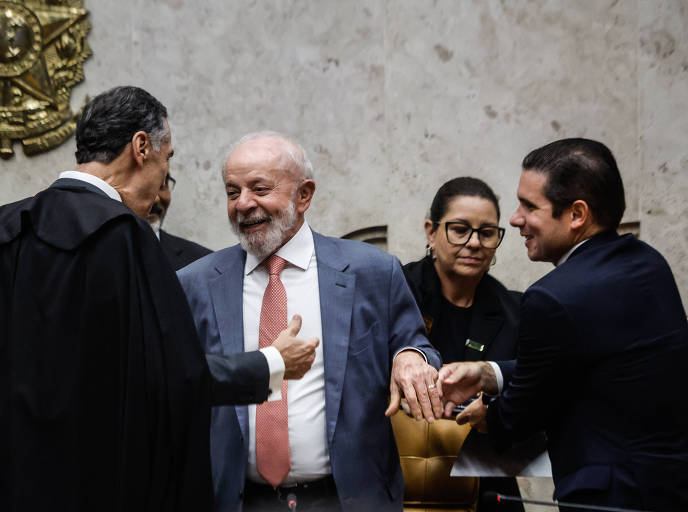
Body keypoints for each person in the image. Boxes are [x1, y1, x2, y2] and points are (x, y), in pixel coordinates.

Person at [0, 87, 316, 511]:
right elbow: (168, 378)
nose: (162, 181)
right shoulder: (123, 236)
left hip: (13, 485)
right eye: (167, 160)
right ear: (141, 147)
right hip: (100, 487)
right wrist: (273, 362)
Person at [177, 131, 443, 512]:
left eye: (260, 188)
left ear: (304, 195)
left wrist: (409, 355)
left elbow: (417, 345)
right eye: (232, 192)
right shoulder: (195, 283)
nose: (243, 204)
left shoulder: (371, 271)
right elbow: (181, 381)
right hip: (236, 501)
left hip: (346, 498)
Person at [439, 138, 688, 511]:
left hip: (612, 497)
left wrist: (487, 414)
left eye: (529, 206)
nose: (515, 219)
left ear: (577, 214)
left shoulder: (552, 297)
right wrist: (490, 373)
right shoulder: (648, 264)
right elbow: (586, 365)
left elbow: (522, 413)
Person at [402, 176, 524, 512]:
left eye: (487, 233)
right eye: (460, 229)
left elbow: (533, 383)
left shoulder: (515, 310)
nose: (474, 243)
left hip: (487, 481)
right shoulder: (395, 292)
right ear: (431, 231)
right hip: (402, 480)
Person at [148, 171, 212, 270]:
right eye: (146, 186)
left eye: (162, 185)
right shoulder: (115, 253)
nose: (156, 199)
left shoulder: (204, 263)